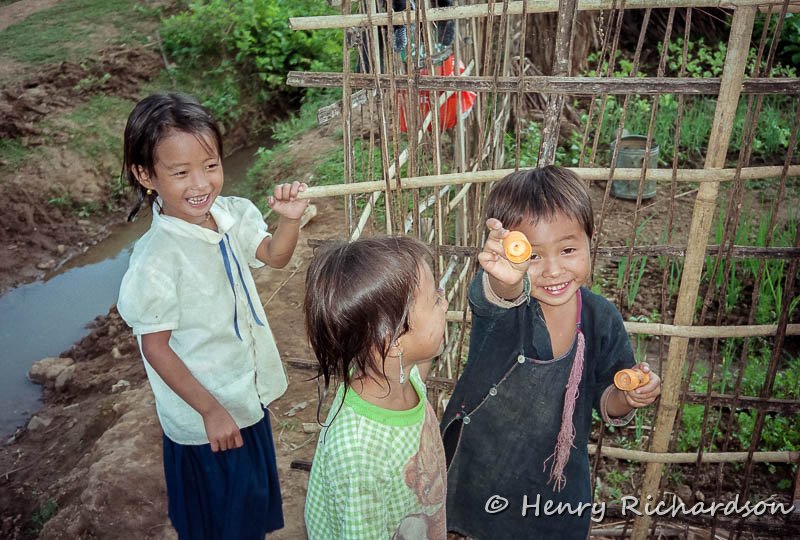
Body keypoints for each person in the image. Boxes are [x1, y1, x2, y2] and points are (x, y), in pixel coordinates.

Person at [116, 92, 308, 539]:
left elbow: (274, 256)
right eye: (181, 173)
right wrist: (210, 411)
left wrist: (290, 220)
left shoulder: (229, 214)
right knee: (222, 520)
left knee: (249, 510)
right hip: (206, 417)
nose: (200, 184)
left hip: (244, 396)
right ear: (145, 175)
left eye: (210, 165)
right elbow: (155, 348)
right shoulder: (156, 260)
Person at [440, 166, 662, 539]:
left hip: (554, 483)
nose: (554, 270)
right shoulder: (508, 307)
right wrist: (504, 278)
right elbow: (493, 295)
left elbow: (607, 398)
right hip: (482, 470)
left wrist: (627, 396)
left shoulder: (600, 318)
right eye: (533, 256)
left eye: (568, 249)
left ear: (591, 241)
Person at [303, 236, 449, 540]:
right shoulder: (360, 453)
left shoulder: (396, 374)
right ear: (393, 342)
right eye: (435, 299)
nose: (445, 303)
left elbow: (417, 363)